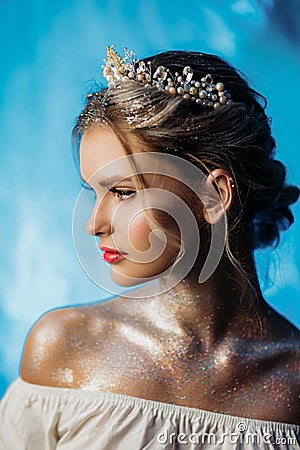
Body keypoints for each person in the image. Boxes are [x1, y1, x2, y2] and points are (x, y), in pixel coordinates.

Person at [0, 46, 299, 449]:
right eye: (95, 192)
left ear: (212, 197)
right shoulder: (63, 348)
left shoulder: (293, 383)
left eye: (124, 192)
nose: (94, 224)